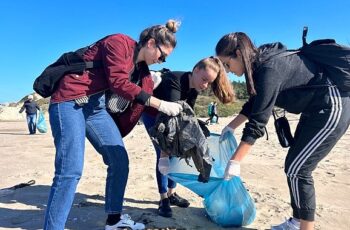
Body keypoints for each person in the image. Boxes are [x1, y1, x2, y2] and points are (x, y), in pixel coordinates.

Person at [44, 19, 183, 230]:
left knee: (119, 160)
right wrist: (160, 103)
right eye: (162, 56)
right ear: (151, 43)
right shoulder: (119, 42)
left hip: (96, 108)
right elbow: (118, 82)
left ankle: (114, 220)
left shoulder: (144, 72)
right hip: (69, 100)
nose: (161, 61)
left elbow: (140, 106)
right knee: (70, 170)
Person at [215, 32, 350, 230]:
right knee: (293, 166)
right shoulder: (259, 65)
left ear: (238, 53)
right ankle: (296, 222)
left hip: (332, 106)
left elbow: (259, 121)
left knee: (299, 169)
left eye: (227, 64)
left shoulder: (269, 68)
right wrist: (230, 127)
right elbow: (256, 103)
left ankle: (305, 227)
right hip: (314, 110)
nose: (227, 71)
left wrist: (235, 161)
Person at [142, 56, 234, 218]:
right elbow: (169, 125)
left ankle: (172, 193)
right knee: (165, 155)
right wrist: (164, 155)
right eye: (204, 79)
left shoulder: (195, 88)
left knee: (179, 152)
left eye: (209, 83)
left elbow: (187, 116)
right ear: (195, 70)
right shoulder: (175, 81)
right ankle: (163, 198)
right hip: (154, 116)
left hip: (172, 116)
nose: (205, 85)